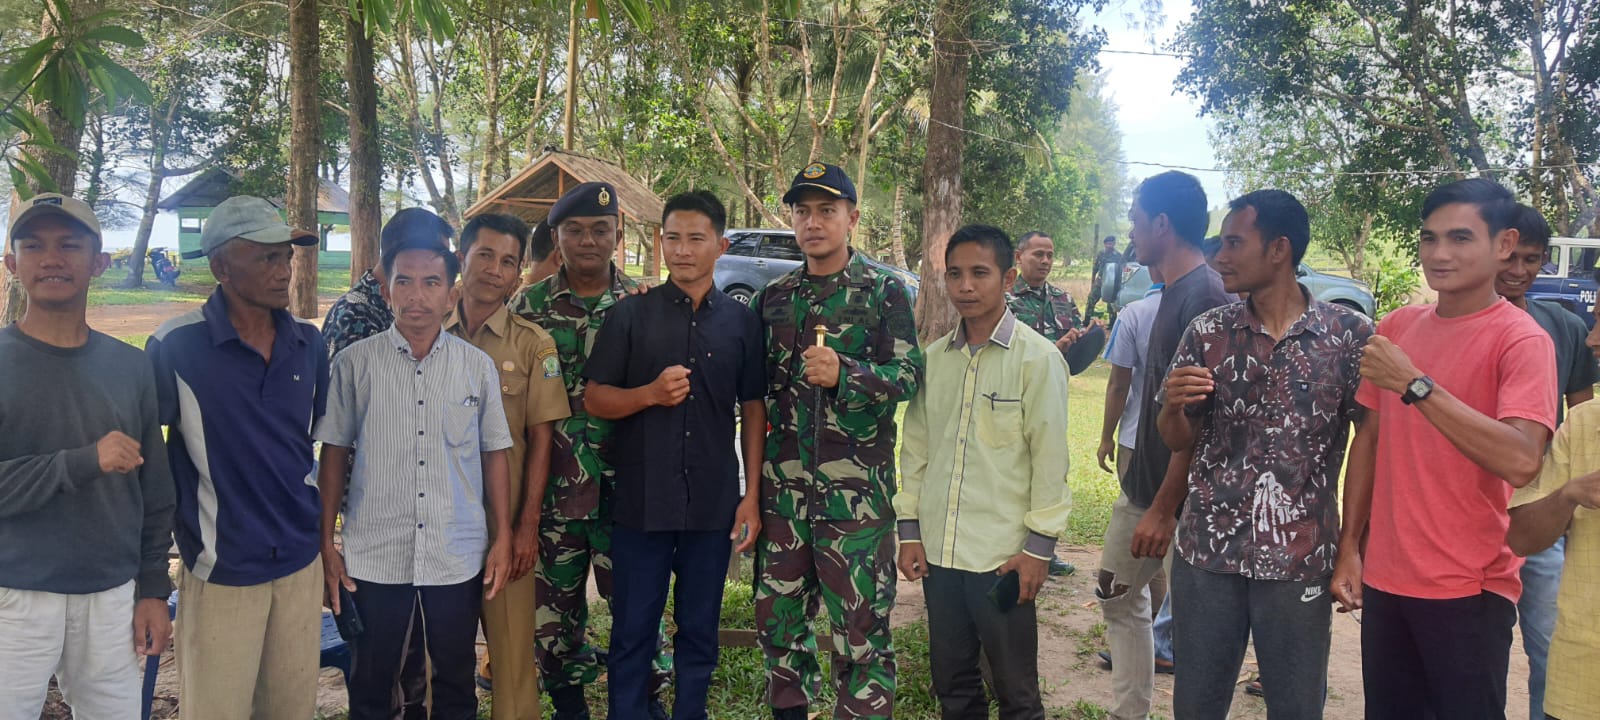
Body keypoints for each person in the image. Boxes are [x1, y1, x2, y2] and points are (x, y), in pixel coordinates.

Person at [1332, 178, 1556, 720]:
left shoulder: (1521, 340)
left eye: (1459, 238)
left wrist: (1416, 384)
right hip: (1388, 577)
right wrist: (1350, 548)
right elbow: (1371, 442)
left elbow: (1523, 460)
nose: (1439, 254)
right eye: (1429, 239)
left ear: (1503, 245)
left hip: (1469, 587)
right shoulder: (1399, 327)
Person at [1155, 190, 1372, 718]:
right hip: (1207, 553)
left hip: (1300, 558)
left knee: (1297, 705)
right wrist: (1173, 407)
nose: (1219, 256)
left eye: (1233, 242)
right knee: (1197, 703)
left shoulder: (1349, 338)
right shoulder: (1208, 334)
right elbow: (1178, 439)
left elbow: (1367, 443)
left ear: (1278, 249)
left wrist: (1349, 548)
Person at [583, 191, 766, 720]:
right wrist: (648, 394)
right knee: (632, 632)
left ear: (721, 245)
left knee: (700, 633)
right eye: (672, 238)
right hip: (642, 504)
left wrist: (750, 496)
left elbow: (753, 409)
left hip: (711, 506)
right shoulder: (630, 316)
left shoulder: (741, 322)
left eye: (695, 238)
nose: (681, 251)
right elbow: (595, 397)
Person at [316, 233, 515, 720]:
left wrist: (503, 535)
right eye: (404, 281)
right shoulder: (354, 365)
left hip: (456, 550)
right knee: (371, 682)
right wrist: (327, 543)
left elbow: (494, 453)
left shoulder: (477, 368)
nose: (416, 295)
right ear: (387, 292)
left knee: (454, 681)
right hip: (375, 552)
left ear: (451, 294)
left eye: (431, 283)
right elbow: (334, 454)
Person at [145, 195, 330, 719]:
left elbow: (314, 446)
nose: (284, 271)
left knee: (290, 708)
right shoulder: (177, 347)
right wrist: (151, 573)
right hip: (221, 568)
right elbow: (147, 463)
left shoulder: (308, 346)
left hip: (299, 565)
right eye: (266, 258)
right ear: (222, 267)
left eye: (287, 257)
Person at [753, 162, 924, 720]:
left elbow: (908, 376)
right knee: (780, 629)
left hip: (856, 504)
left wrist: (846, 372)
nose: (813, 222)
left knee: (861, 636)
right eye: (802, 211)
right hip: (784, 499)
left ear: (852, 218)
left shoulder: (883, 293)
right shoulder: (773, 299)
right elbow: (756, 394)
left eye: (826, 210)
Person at [0, 194, 176, 718]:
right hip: (15, 594)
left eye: (70, 246)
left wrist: (151, 587)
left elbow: (156, 488)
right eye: (33, 246)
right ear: (12, 264)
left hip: (111, 595)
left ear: (99, 262)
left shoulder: (130, 365)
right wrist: (82, 462)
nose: (52, 258)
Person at [508, 182, 670, 720]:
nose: (588, 241)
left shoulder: (645, 306)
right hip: (551, 495)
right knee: (552, 616)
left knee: (637, 608)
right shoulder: (526, 309)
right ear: (556, 237)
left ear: (617, 236)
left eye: (601, 230)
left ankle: (645, 704)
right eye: (575, 230)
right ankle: (570, 708)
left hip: (627, 494)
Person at [896, 224, 1071, 720]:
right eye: (954, 275)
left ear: (1009, 279)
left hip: (1003, 558)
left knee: (1017, 692)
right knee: (953, 682)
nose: (965, 287)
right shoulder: (933, 361)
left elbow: (1051, 462)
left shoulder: (1038, 360)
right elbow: (917, 452)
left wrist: (1038, 549)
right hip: (941, 554)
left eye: (980, 273)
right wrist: (910, 533)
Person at [1098, 171, 1230, 720]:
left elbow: (1201, 428)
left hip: (1181, 506)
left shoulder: (1204, 298)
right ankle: (1131, 711)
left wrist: (1163, 508)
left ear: (1161, 224)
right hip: (1143, 489)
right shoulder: (1172, 292)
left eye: (1135, 218)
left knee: (1199, 634)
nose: (1130, 229)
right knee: (1115, 596)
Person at [322, 207, 456, 715]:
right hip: (375, 521)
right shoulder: (356, 317)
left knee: (416, 658)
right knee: (379, 667)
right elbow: (349, 438)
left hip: (424, 520)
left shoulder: (422, 310)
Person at [444, 213, 572, 720]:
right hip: (439, 531)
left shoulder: (532, 344)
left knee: (514, 661)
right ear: (462, 258)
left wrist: (525, 528)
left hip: (505, 530)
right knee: (439, 657)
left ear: (519, 275)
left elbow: (543, 440)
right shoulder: (427, 332)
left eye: (507, 262)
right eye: (484, 255)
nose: (494, 270)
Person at [1495, 203, 1595, 720]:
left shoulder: (1564, 326)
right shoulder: (1459, 326)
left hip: (1543, 515)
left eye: (1532, 259)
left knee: (1552, 649)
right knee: (1476, 654)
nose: (1519, 272)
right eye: (1510, 258)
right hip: (1473, 515)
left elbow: (1583, 416)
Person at [1095, 265, 1173, 675]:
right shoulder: (1216, 306)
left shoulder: (1136, 313)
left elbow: (1118, 383)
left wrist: (1106, 435)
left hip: (1136, 444)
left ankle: (1156, 630)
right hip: (1183, 449)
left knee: (1140, 544)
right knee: (1163, 549)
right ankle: (1163, 633)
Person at [1085, 235, 1124, 321]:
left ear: (1114, 244)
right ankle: (1087, 321)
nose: (1109, 246)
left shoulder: (1118, 256)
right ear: (1104, 244)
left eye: (1111, 244)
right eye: (1107, 244)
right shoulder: (1101, 254)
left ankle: (1112, 323)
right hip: (1100, 282)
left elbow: (1121, 270)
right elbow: (1095, 269)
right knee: (1091, 299)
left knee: (1111, 304)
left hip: (1112, 284)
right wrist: (1093, 282)